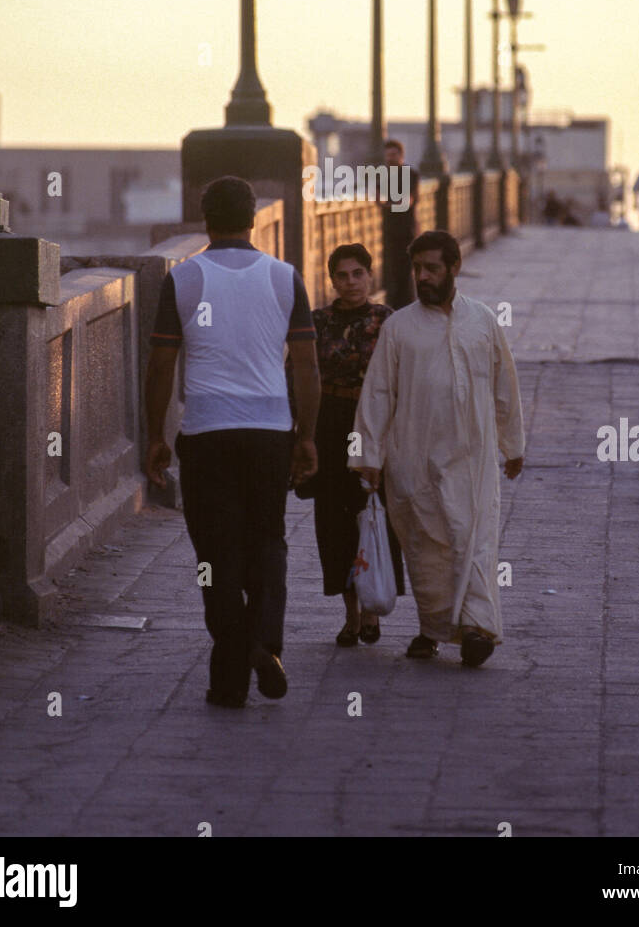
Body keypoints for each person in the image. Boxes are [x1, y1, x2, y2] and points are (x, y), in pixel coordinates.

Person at [144, 176, 320, 708]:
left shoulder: (185, 278)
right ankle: (262, 642)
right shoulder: (286, 278)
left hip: (207, 433)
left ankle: (230, 678)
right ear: (251, 220)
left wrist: (156, 436)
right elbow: (308, 368)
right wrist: (306, 436)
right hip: (269, 432)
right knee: (269, 542)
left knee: (213, 554)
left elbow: (161, 365)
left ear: (205, 221)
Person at [351, 230, 525, 668]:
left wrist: (513, 444)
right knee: (427, 549)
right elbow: (377, 395)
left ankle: (477, 628)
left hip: (474, 459)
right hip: (413, 459)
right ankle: (433, 628)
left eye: (431, 268)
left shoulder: (483, 320)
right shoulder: (399, 328)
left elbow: (506, 387)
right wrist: (368, 456)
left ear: (454, 268)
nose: (422, 277)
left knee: (475, 540)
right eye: (417, 269)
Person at [291, 242, 405, 645]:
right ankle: (351, 614)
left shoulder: (387, 321)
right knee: (334, 521)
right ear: (331, 280)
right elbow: (298, 374)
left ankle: (374, 610)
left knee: (373, 515)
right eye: (342, 275)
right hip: (329, 424)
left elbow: (400, 380)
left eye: (358, 273)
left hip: (372, 424)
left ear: (370, 276)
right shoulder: (317, 321)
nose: (351, 282)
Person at [382, 138, 420, 309]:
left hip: (407, 229)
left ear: (401, 156)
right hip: (389, 229)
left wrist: (388, 205)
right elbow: (377, 198)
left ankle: (407, 305)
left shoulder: (410, 174)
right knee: (391, 270)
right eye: (388, 155)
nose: (390, 158)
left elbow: (408, 202)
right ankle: (394, 306)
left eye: (393, 155)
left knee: (405, 270)